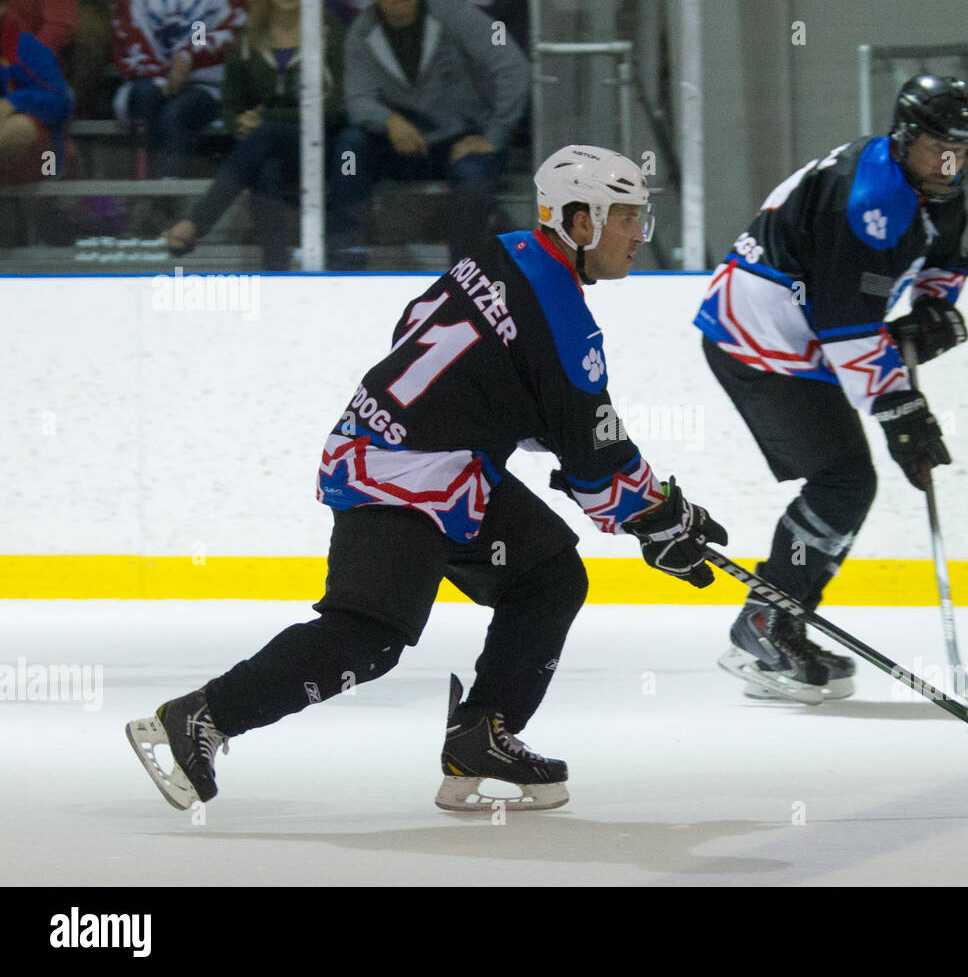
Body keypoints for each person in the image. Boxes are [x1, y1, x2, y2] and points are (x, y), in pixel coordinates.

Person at [128, 145, 727, 813]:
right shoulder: (564, 318)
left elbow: (421, 328)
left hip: (435, 464)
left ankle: (482, 733)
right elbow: (597, 459)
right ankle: (200, 719)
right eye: (627, 219)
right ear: (581, 221)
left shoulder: (502, 254)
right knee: (368, 637)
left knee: (548, 575)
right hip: (397, 473)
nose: (638, 236)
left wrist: (538, 437)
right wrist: (666, 516)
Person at [695, 75, 968, 705]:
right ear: (905, 139)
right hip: (759, 335)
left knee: (848, 479)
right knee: (845, 479)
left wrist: (934, 306)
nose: (951, 161)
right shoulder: (865, 197)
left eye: (962, 149)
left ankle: (774, 620)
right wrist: (903, 413)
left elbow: (946, 262)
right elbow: (847, 326)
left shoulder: (937, 185)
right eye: (939, 147)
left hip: (806, 333)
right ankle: (769, 623)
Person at [326, 0, 528, 269]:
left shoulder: (453, 12)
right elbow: (358, 99)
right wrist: (389, 121)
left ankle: (462, 277)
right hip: (405, 143)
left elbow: (512, 66)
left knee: (474, 178)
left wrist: (495, 135)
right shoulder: (361, 32)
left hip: (465, 139)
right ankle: (346, 262)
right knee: (350, 148)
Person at [162, 0, 347, 269]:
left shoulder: (331, 32)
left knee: (266, 136)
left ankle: (196, 221)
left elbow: (338, 109)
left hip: (324, 145)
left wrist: (267, 119)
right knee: (265, 167)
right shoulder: (248, 38)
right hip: (265, 148)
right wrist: (240, 121)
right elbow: (231, 104)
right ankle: (276, 270)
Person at [109, 0, 247, 178]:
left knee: (176, 113)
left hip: (206, 84)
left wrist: (190, 53)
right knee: (144, 98)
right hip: (148, 78)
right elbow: (129, 30)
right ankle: (141, 192)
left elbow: (225, 27)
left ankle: (168, 198)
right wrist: (158, 73)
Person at [0, 0, 72, 185]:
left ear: (3, 6)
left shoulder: (23, 46)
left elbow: (60, 100)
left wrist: (13, 103)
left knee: (18, 127)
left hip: (42, 161)